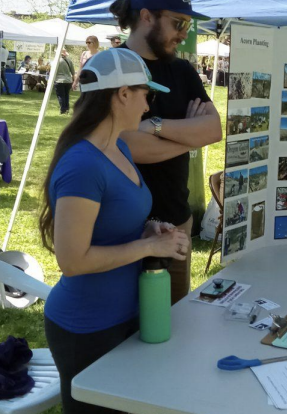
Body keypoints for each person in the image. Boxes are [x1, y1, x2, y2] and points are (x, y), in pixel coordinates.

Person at [38, 49, 190, 414]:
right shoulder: (83, 165)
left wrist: (149, 228)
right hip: (87, 328)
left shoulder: (118, 145)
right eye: (145, 95)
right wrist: (149, 247)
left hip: (129, 316)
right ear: (122, 94)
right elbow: (73, 261)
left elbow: (114, 221)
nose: (148, 106)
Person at [109, 0, 222, 304]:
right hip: (122, 228)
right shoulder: (112, 67)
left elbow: (213, 130)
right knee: (125, 321)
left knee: (171, 318)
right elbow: (130, 148)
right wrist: (189, 134)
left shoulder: (182, 71)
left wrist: (155, 125)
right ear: (146, 16)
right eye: (179, 22)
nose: (185, 33)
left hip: (176, 222)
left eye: (188, 24)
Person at [55, 49, 75, 115]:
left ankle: (63, 110)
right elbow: (73, 72)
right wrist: (74, 81)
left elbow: (53, 71)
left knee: (61, 96)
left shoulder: (57, 61)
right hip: (68, 80)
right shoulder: (69, 60)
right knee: (66, 95)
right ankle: (67, 109)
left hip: (59, 80)